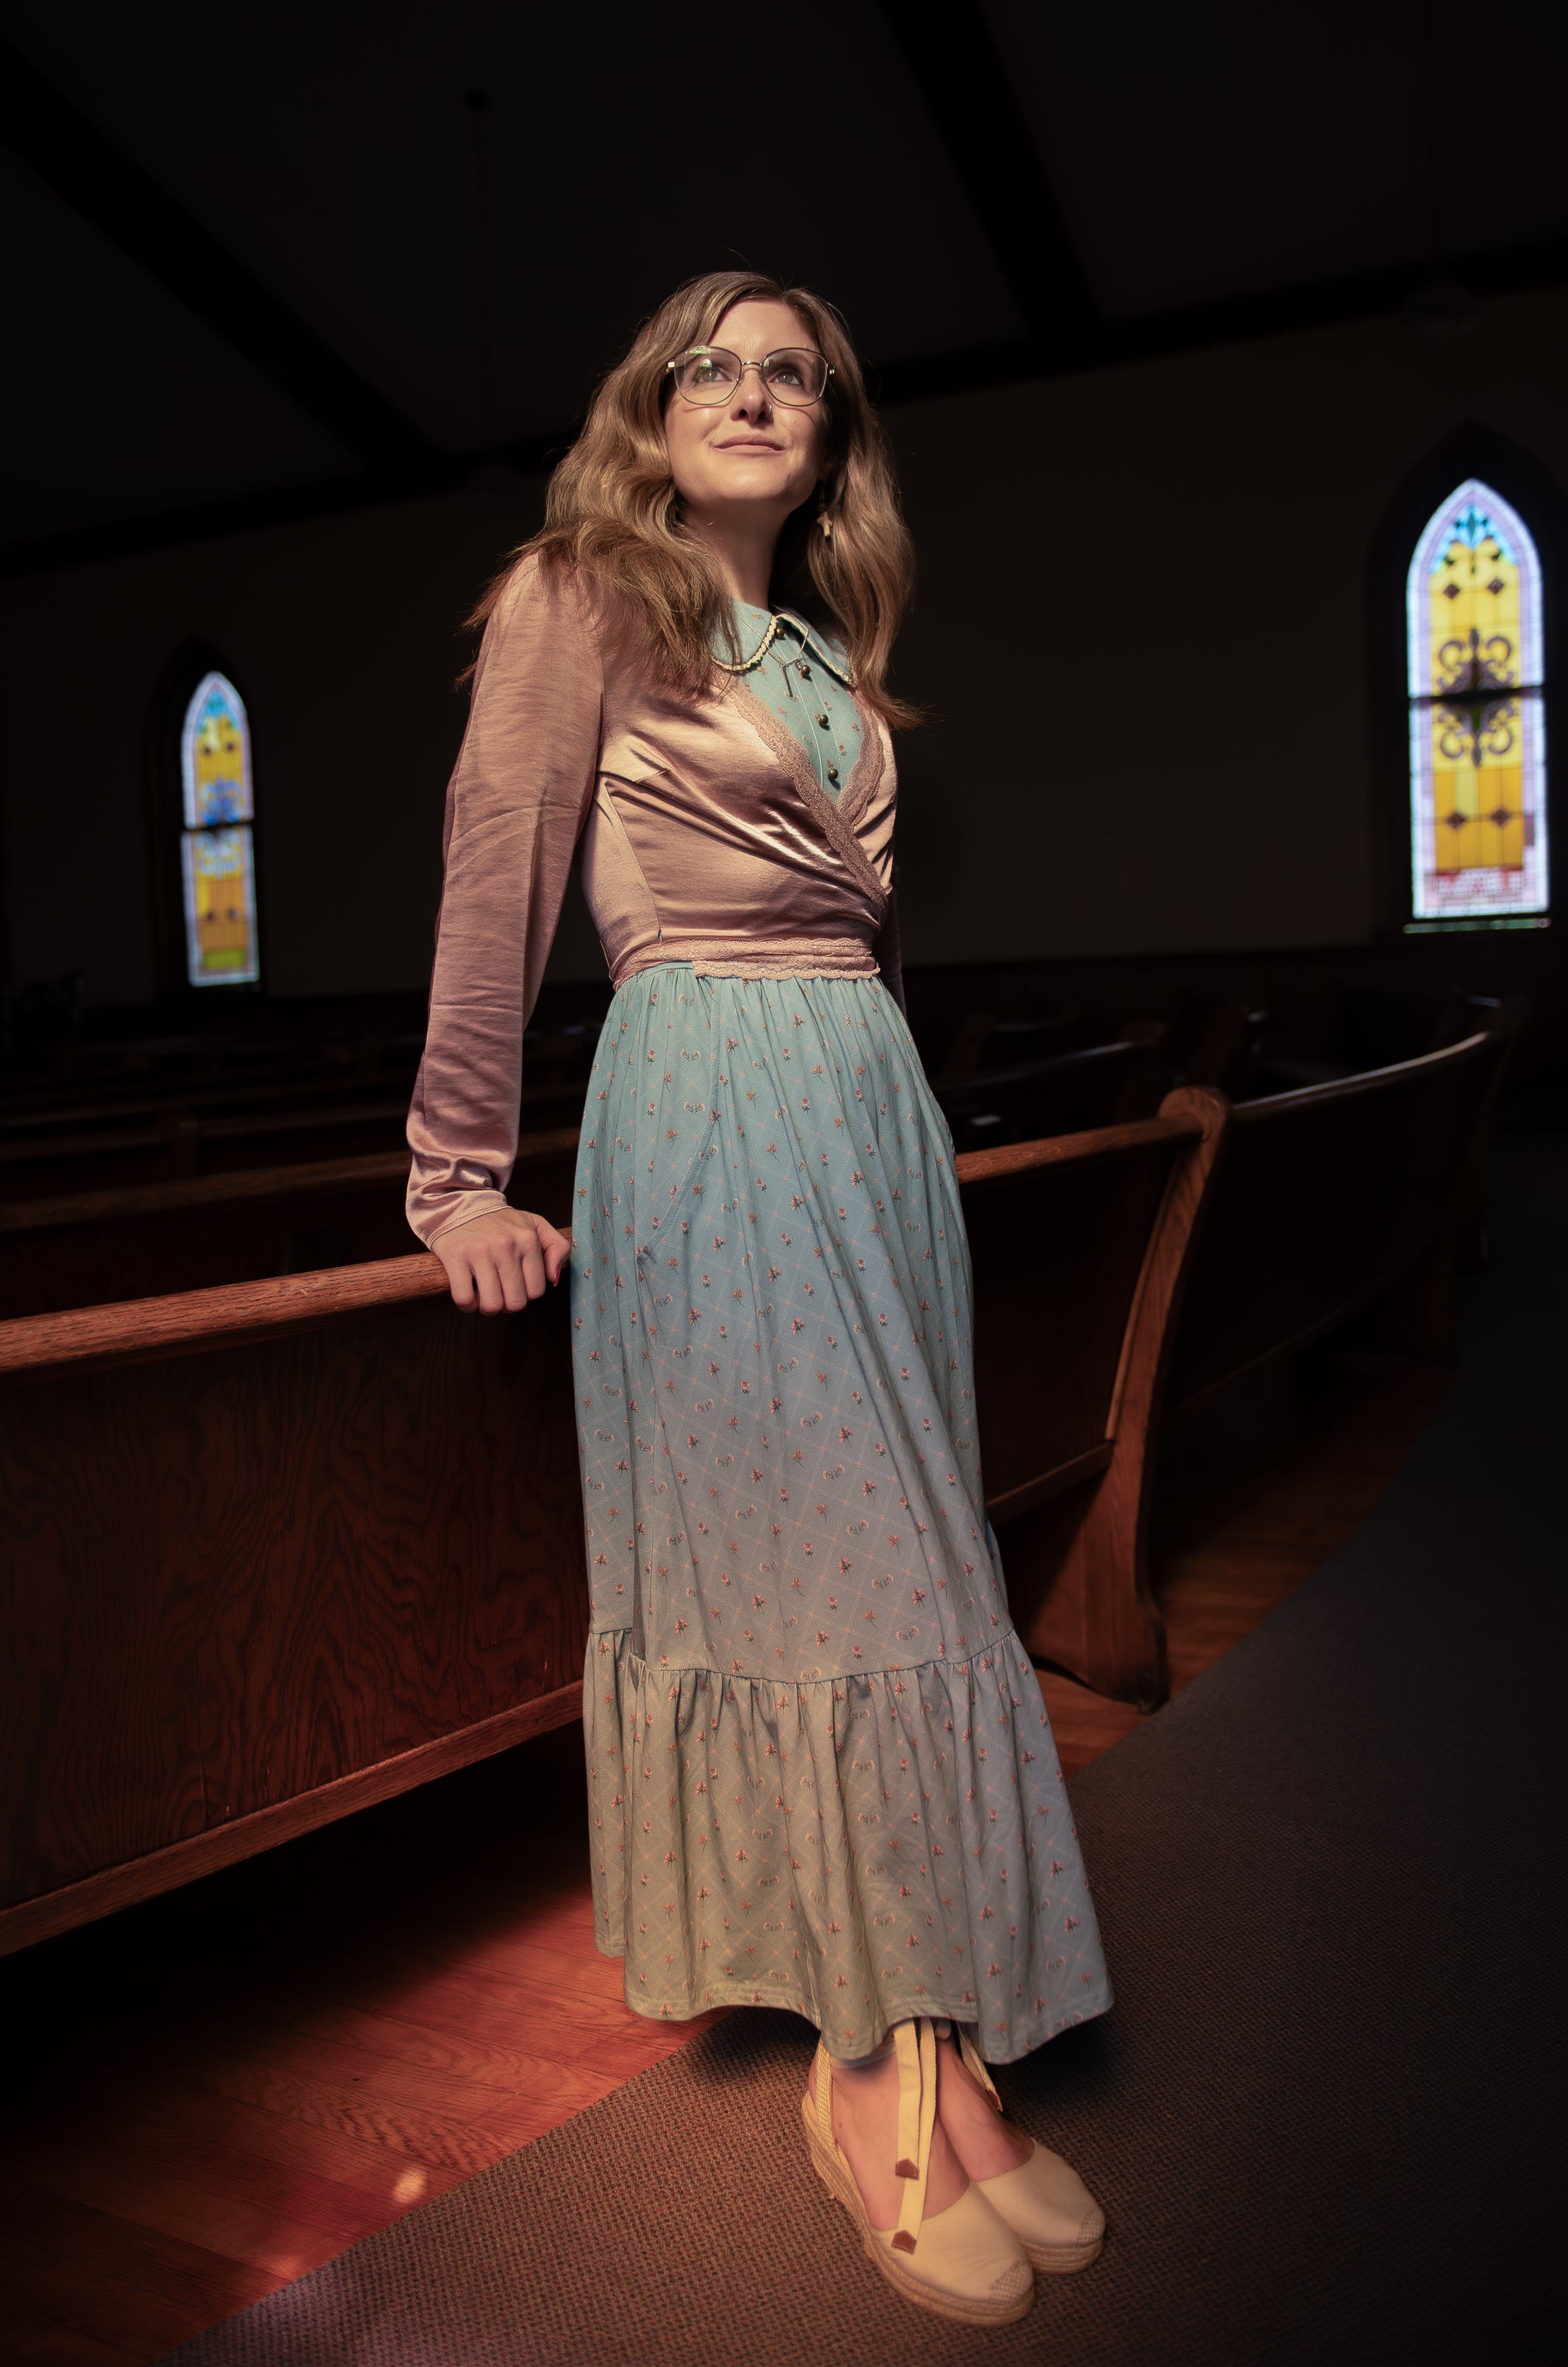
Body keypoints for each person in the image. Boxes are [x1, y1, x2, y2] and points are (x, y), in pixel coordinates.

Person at [407, 272, 1110, 2326]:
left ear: (829, 439)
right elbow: (495, 853)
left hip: (861, 1114)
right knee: (845, 1585)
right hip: (705, 1102)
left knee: (914, 1579)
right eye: (709, 361)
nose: (752, 390)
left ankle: (942, 2046)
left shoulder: (816, 652)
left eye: (791, 370)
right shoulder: (575, 593)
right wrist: (456, 1175)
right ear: (646, 408)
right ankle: (875, 2076)